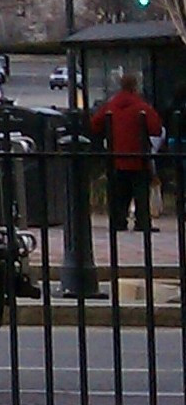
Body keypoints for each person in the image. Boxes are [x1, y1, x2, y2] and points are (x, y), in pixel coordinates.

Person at [88, 72, 163, 288]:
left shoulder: (111, 106)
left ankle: (118, 220)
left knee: (118, 193)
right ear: (135, 87)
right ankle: (142, 221)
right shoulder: (141, 106)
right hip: (138, 158)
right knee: (140, 191)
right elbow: (155, 127)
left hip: (115, 158)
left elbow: (95, 124)